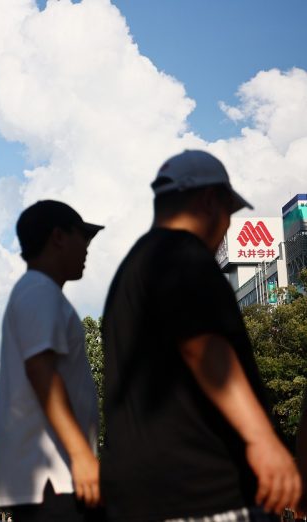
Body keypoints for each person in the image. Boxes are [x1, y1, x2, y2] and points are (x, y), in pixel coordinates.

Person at [101, 150, 301, 521]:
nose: (226, 225)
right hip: (206, 492)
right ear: (210, 200)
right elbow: (204, 347)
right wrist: (263, 441)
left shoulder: (132, 270)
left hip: (143, 496)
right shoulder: (183, 254)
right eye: (228, 211)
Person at [0, 200, 104, 522]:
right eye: (84, 236)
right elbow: (41, 371)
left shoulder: (36, 291)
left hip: (49, 476)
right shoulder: (39, 290)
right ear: (58, 237)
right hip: (53, 478)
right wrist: (81, 455)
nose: (87, 248)